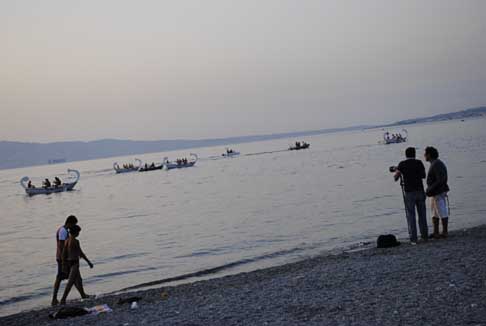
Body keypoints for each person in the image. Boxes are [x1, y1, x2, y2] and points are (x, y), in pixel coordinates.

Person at [394, 147, 428, 244]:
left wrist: (399, 171)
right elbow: (423, 176)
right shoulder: (419, 163)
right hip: (420, 191)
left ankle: (414, 239)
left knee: (411, 216)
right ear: (414, 154)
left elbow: (396, 177)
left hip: (409, 193)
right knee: (422, 215)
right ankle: (424, 236)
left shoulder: (402, 164)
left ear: (406, 154)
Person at [60, 224, 94, 305]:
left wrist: (63, 264)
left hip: (69, 262)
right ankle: (63, 299)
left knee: (79, 280)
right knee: (71, 282)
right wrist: (88, 262)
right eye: (78, 232)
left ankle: (83, 295)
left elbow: (64, 253)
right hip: (75, 263)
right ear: (75, 232)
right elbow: (81, 253)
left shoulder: (67, 240)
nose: (79, 234)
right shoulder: (75, 241)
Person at [52, 215, 78, 306]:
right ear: (69, 223)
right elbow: (62, 246)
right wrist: (64, 261)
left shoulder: (63, 230)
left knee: (73, 276)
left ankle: (82, 294)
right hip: (62, 258)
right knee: (60, 277)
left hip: (64, 258)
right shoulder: (63, 231)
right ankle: (54, 299)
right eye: (74, 224)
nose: (73, 227)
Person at [424, 146, 450, 238]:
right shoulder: (435, 163)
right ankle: (436, 232)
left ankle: (445, 231)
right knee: (434, 212)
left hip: (438, 191)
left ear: (429, 155)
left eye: (425, 154)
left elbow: (440, 180)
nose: (424, 156)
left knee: (442, 210)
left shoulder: (436, 164)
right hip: (435, 192)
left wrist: (430, 189)